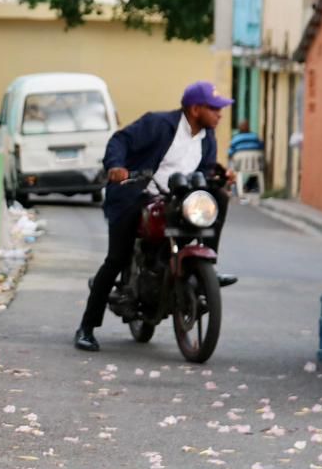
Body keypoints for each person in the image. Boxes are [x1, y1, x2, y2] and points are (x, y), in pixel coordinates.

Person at [74, 81, 237, 353]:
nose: (220, 114)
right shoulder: (159, 124)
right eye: (214, 109)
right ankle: (86, 328)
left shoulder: (207, 137)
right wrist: (116, 166)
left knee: (217, 196)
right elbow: (120, 140)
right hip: (136, 195)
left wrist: (220, 175)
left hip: (177, 199)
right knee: (116, 258)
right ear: (196, 109)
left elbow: (205, 170)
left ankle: (207, 266)